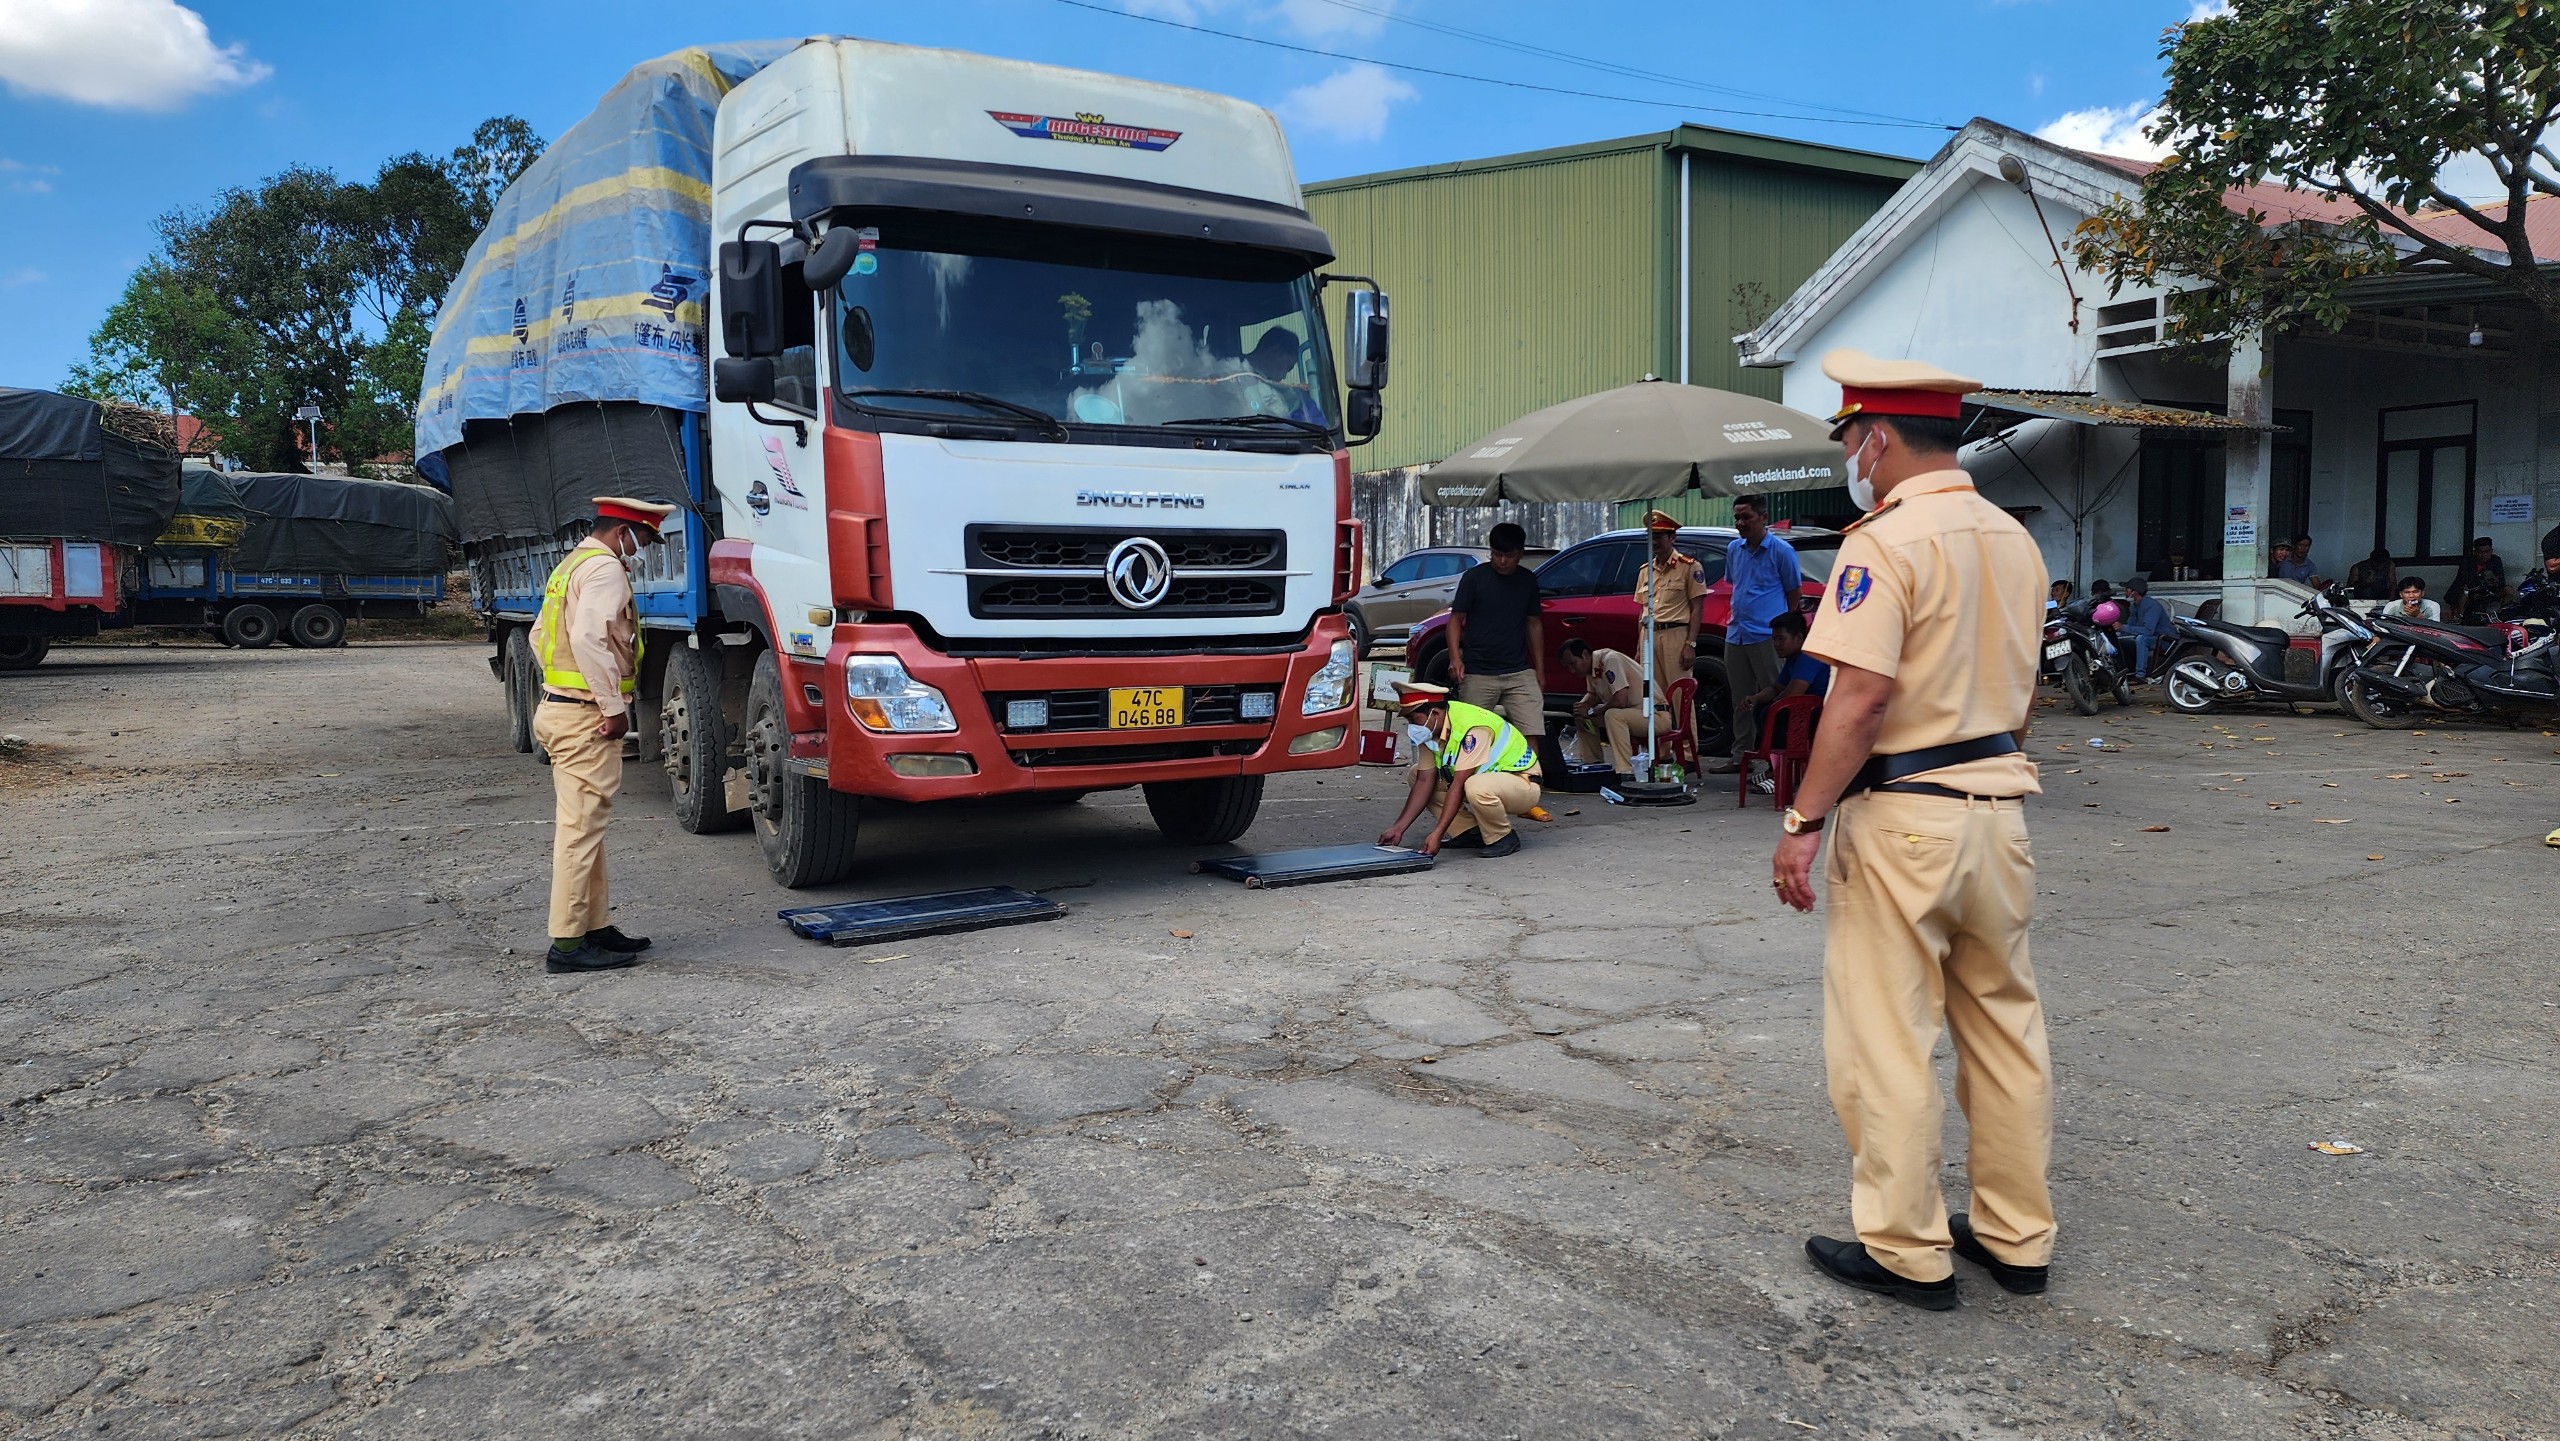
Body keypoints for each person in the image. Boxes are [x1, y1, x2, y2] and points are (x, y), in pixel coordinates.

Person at [1770, 348, 2055, 1312]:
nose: (1851, 454)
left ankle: (1907, 1249)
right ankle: (2017, 1237)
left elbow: (1859, 698)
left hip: (1903, 819)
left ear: (1878, 436)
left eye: (1851, 437)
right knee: (2004, 1029)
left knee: (1887, 1037)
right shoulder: (2013, 538)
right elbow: (2022, 697)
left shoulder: (1884, 542)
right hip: (1997, 812)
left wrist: (1804, 818)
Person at [530, 497, 676, 973]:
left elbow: (538, 637)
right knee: (578, 832)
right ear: (624, 532)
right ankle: (568, 945)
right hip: (585, 718)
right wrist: (611, 707)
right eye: (646, 540)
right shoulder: (606, 569)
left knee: (585, 828)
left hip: (560, 711)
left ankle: (593, 926)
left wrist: (560, 686)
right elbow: (590, 639)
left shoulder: (571, 565)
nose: (645, 551)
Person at [1377, 681, 1541, 858]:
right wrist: (1398, 828)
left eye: (1414, 720)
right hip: (1488, 781)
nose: (1412, 728)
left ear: (1435, 713)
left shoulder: (1473, 727)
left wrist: (1437, 834)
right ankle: (1468, 832)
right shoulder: (1431, 729)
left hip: (1522, 783)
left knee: (1475, 786)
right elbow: (1424, 780)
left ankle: (1502, 837)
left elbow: (1458, 784)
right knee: (1415, 774)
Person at [1719, 495, 1805, 779]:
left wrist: (1784, 631)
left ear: (1763, 517)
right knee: (1740, 698)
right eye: (1737, 518)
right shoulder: (1735, 549)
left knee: (1774, 696)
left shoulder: (1781, 551)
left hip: (1767, 636)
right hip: (1737, 633)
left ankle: (1774, 757)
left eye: (1747, 517)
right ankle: (1741, 754)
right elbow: (1737, 586)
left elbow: (1794, 592)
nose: (1741, 523)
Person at [1446, 522, 1547, 740]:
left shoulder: (1527, 581)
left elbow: (1533, 624)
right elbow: (1455, 620)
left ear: (1520, 554)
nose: (1502, 561)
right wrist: (1455, 658)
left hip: (1519, 672)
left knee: (1532, 732)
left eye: (1508, 555)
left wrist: (1539, 669)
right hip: (1478, 672)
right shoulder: (1474, 578)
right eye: (1496, 554)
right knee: (1471, 737)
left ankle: (1529, 775)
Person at [1631, 510, 1709, 764]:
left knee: (1680, 698)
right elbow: (1641, 610)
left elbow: (1697, 608)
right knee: (1655, 698)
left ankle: (1687, 756)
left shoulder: (1689, 567)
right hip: (1649, 636)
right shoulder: (1645, 570)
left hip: (1676, 635)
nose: (1655, 541)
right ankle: (1661, 753)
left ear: (1672, 538)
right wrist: (1639, 647)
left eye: (1661, 536)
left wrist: (1690, 644)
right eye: (1651, 536)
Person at [1740, 610, 1829, 792]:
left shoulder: (1809, 656)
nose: (1776, 644)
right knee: (1762, 708)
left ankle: (1781, 772)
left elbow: (1794, 692)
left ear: (1798, 638)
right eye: (1774, 639)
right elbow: (1776, 688)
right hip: (1802, 714)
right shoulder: (1792, 659)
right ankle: (1774, 766)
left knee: (1775, 712)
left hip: (1820, 715)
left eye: (1781, 639)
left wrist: (1773, 705)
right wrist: (1755, 698)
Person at [1562, 636, 1658, 778]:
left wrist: (1591, 710)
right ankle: (1593, 765)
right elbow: (1592, 695)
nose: (1572, 670)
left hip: (1654, 715)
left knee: (1613, 715)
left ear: (1585, 655)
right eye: (1567, 667)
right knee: (1585, 718)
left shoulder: (1610, 660)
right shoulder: (1591, 668)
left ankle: (1626, 771)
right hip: (1633, 714)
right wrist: (1580, 711)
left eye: (1573, 664)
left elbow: (1620, 700)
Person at [2117, 576, 2174, 680]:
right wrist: (2120, 633)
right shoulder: (2134, 606)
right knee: (2119, 640)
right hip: (2151, 637)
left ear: (2135, 592)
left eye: (2127, 590)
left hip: (2164, 640)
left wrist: (2123, 627)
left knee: (2141, 639)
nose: (2125, 593)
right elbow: (2131, 626)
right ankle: (2124, 672)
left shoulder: (2151, 606)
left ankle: (2140, 675)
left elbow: (2148, 631)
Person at [2449, 536, 2507, 624]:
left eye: (2486, 552)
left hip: (2490, 590)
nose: (2483, 555)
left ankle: (2501, 615)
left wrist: (2493, 580)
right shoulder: (2468, 561)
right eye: (2480, 552)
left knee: (2509, 590)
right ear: (2475, 552)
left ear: (2491, 551)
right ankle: (2460, 618)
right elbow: (2462, 580)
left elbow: (2501, 581)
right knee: (2464, 592)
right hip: (2472, 590)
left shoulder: (2496, 560)